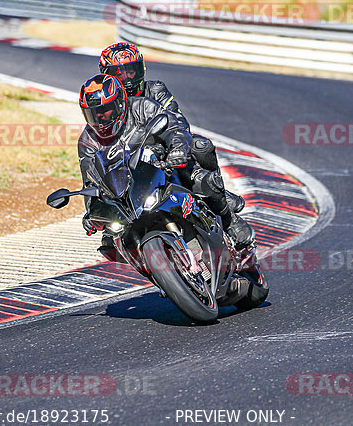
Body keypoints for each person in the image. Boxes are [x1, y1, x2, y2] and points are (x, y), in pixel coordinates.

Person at [95, 42, 257, 269]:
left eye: (132, 71)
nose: (128, 79)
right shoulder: (104, 106)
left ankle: (227, 216)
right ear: (107, 76)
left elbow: (176, 121)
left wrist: (177, 149)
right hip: (132, 167)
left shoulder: (156, 90)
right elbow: (98, 153)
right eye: (120, 73)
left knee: (201, 146)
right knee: (111, 229)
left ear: (141, 70)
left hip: (168, 152)